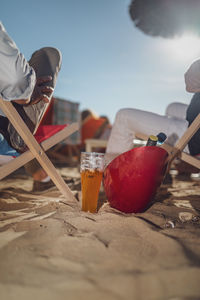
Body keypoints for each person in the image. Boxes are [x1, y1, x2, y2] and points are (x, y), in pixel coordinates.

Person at [106, 59, 200, 178]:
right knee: (172, 108)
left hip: (194, 138)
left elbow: (190, 83)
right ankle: (167, 166)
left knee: (123, 116)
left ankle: (112, 175)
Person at [0, 21, 62, 191]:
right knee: (49, 54)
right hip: (5, 134)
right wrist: (28, 90)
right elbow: (17, 80)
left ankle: (41, 178)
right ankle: (43, 178)